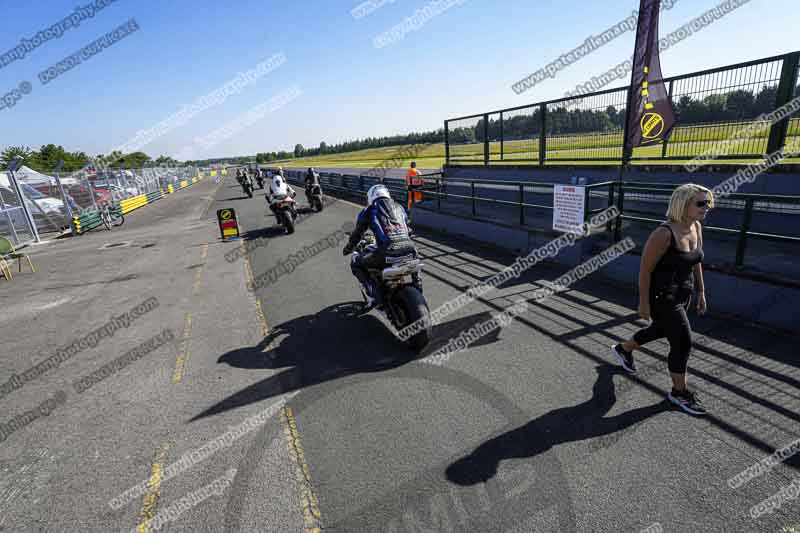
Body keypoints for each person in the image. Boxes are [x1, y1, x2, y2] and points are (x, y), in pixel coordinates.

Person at [612, 183, 713, 415]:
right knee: (683, 342)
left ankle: (623, 349)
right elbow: (645, 271)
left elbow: (696, 261)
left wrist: (702, 292)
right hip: (662, 297)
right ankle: (679, 393)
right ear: (683, 204)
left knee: (661, 330)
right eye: (700, 203)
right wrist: (643, 303)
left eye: (707, 203)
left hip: (683, 294)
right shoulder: (663, 234)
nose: (706, 207)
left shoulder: (696, 227)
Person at [343, 184, 422, 309]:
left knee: (355, 261)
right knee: (414, 259)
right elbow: (409, 230)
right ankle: (418, 286)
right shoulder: (400, 208)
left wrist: (348, 248)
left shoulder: (368, 210)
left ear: (370, 197)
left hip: (387, 253)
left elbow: (357, 235)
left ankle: (373, 296)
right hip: (411, 250)